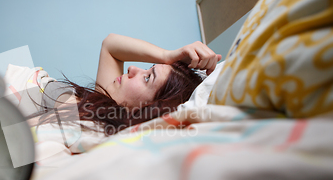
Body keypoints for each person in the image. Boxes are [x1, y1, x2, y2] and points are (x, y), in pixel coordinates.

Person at [40, 33, 221, 135]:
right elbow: (110, 45)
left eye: (148, 78)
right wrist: (168, 55)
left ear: (152, 109)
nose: (132, 68)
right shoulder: (103, 102)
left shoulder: (97, 129)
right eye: (147, 70)